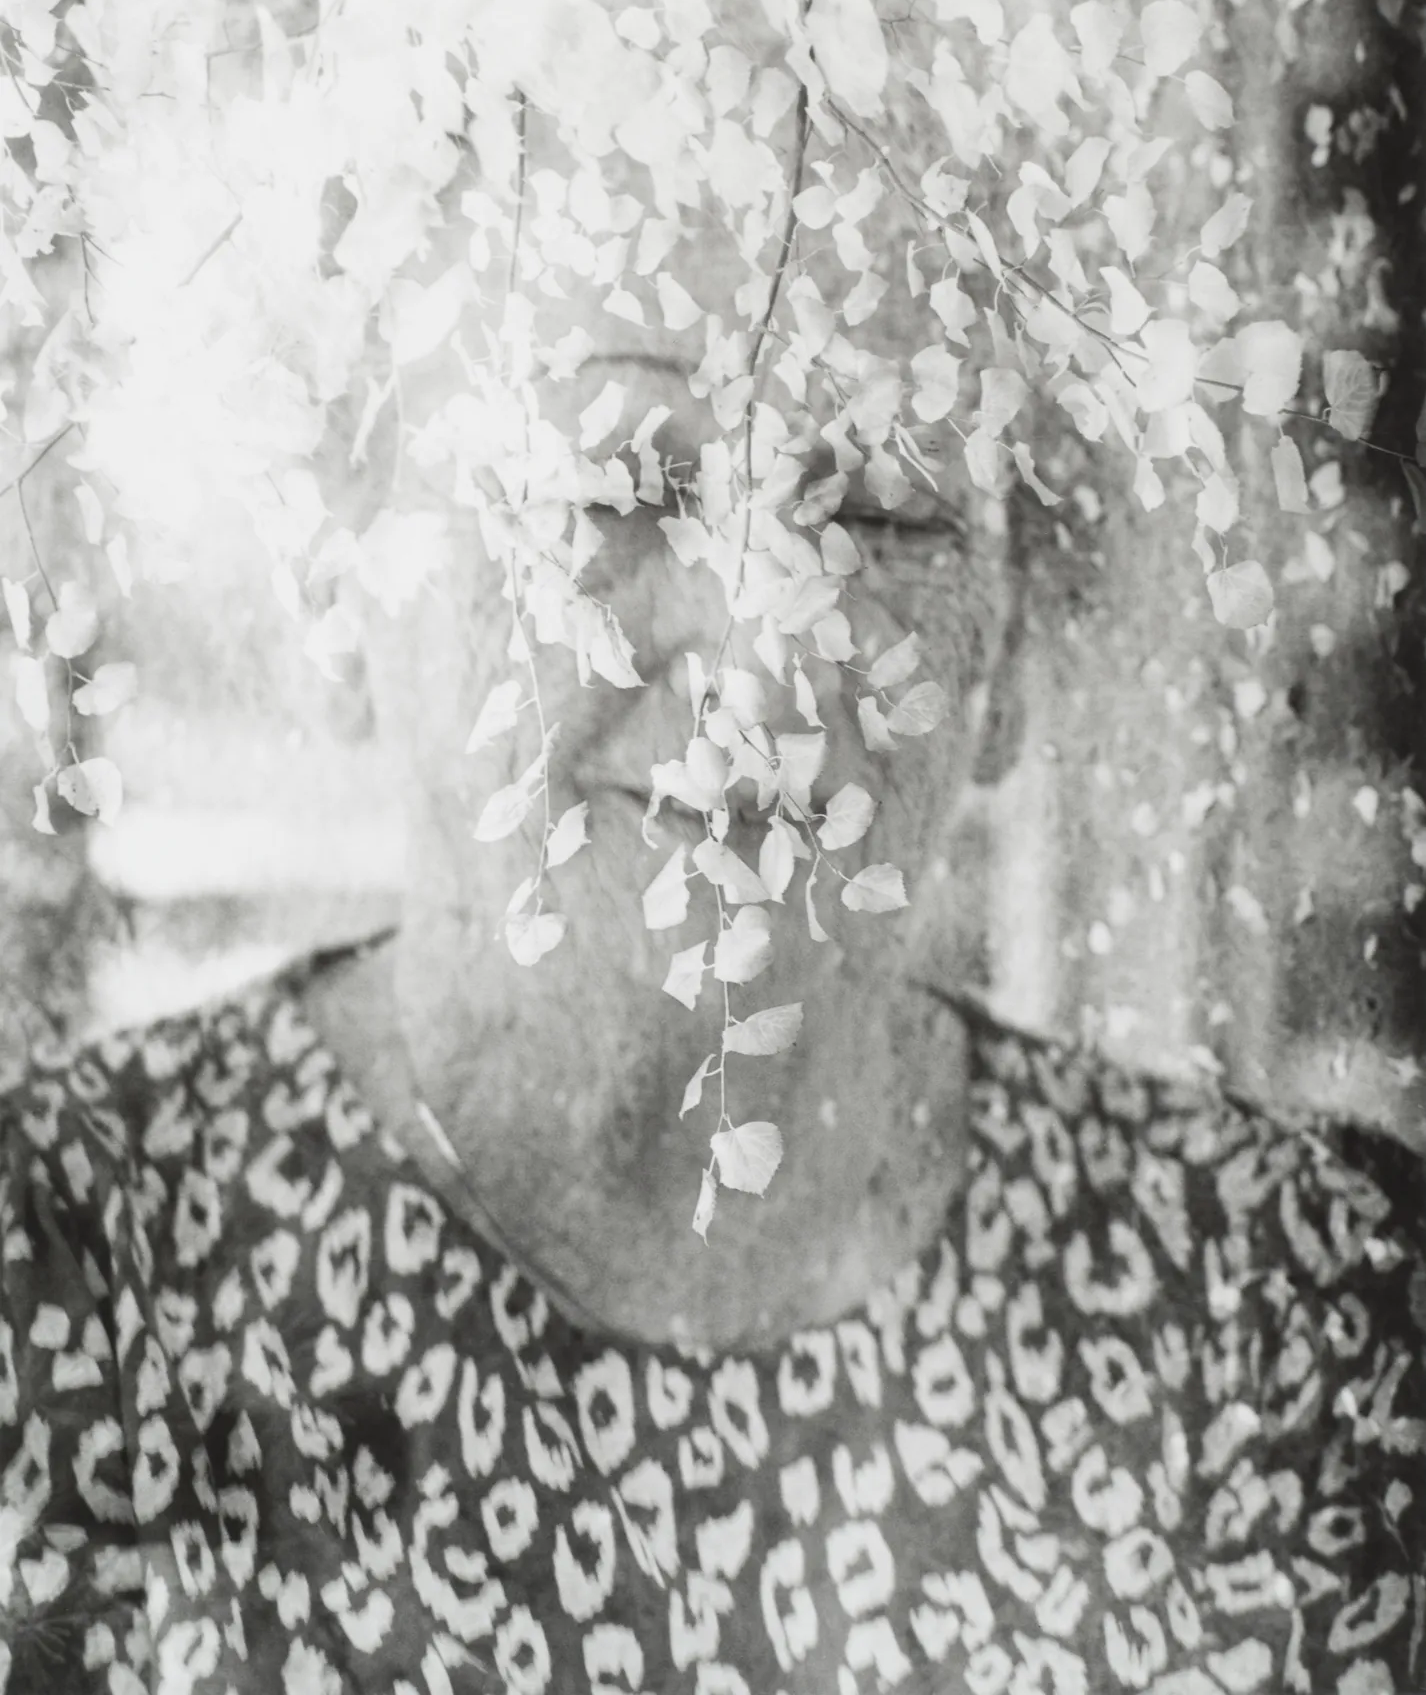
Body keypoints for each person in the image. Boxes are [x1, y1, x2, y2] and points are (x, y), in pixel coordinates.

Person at [2, 338, 1425, 1694]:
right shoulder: (58, 1280)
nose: (756, 659)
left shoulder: (1296, 1323)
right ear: (341, 596)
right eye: (614, 488)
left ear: (1009, 656)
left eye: (878, 510)